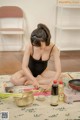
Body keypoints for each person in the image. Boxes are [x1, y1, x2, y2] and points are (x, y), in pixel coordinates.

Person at [10, 23, 61, 90]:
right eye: (35, 45)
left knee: (60, 78)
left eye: (39, 45)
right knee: (14, 80)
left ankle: (35, 81)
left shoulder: (54, 49)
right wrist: (34, 79)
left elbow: (58, 70)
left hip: (43, 72)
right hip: (28, 72)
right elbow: (24, 67)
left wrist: (51, 83)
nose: (37, 47)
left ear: (46, 41)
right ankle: (36, 80)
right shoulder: (30, 46)